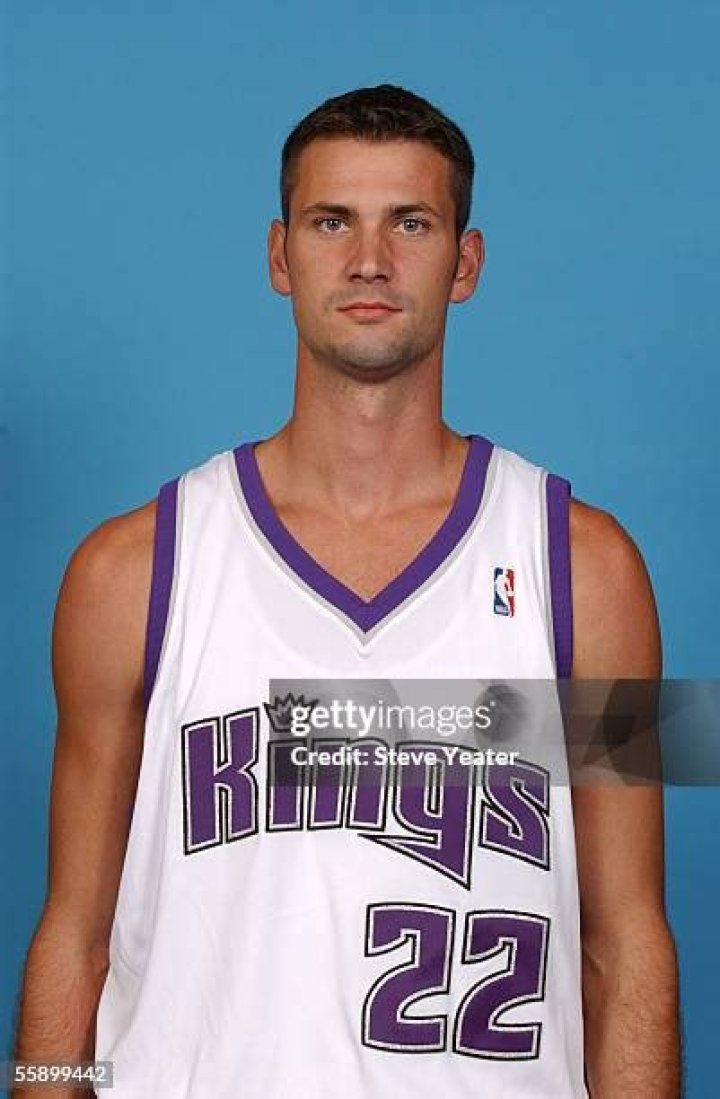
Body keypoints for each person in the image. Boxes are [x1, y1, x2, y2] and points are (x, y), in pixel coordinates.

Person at [13, 84, 680, 1098]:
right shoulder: (132, 572)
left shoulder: (586, 572)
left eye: (410, 223)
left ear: (466, 263)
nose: (370, 260)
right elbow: (75, 934)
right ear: (280, 256)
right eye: (332, 222)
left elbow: (625, 942)